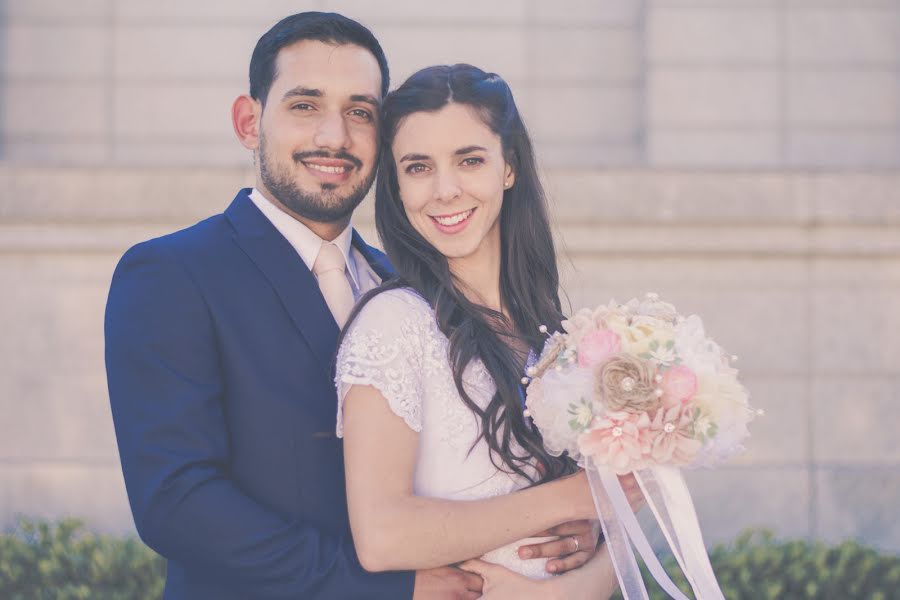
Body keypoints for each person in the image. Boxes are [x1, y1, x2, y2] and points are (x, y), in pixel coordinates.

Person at [105, 12, 597, 599]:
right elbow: (176, 502)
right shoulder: (173, 273)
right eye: (305, 105)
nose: (334, 137)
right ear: (249, 120)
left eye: (360, 112)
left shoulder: (413, 288)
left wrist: (571, 529)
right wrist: (384, 588)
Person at [337, 64, 629, 599]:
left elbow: (623, 519)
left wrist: (563, 589)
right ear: (396, 184)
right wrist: (575, 498)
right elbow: (381, 536)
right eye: (419, 167)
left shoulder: (552, 331)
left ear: (508, 167)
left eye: (469, 160)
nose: (445, 191)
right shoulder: (395, 324)